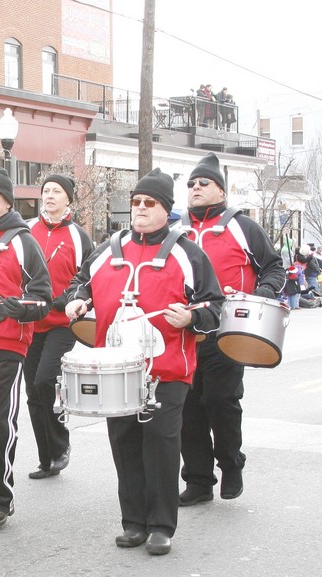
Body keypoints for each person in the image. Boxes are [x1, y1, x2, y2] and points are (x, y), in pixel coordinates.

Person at [64, 168, 223, 556]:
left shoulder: (187, 252)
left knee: (161, 444)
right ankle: (133, 522)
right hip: (116, 368)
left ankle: (161, 525)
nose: (139, 208)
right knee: (125, 444)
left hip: (166, 370)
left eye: (148, 203)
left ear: (165, 210)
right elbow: (79, 282)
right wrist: (76, 299)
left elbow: (215, 305)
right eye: (135, 202)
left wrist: (191, 317)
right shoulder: (108, 248)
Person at [179, 153, 285, 505]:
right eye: (191, 183)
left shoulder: (243, 226)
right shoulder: (176, 231)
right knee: (188, 407)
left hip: (228, 331)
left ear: (220, 190)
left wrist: (261, 296)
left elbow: (273, 268)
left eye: (203, 182)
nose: (195, 188)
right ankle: (198, 480)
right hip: (186, 333)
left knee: (222, 402)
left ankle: (231, 463)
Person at [0, 168, 52, 528]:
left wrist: (20, 307)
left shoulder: (23, 240)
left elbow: (43, 298)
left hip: (6, 344)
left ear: (6, 201)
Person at [24, 174, 94, 479]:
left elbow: (88, 278)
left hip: (61, 323)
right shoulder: (27, 231)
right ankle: (47, 458)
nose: (49, 195)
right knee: (31, 392)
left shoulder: (79, 237)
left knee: (44, 381)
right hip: (30, 323)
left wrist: (61, 300)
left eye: (57, 191)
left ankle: (60, 444)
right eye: (46, 190)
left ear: (68, 199)